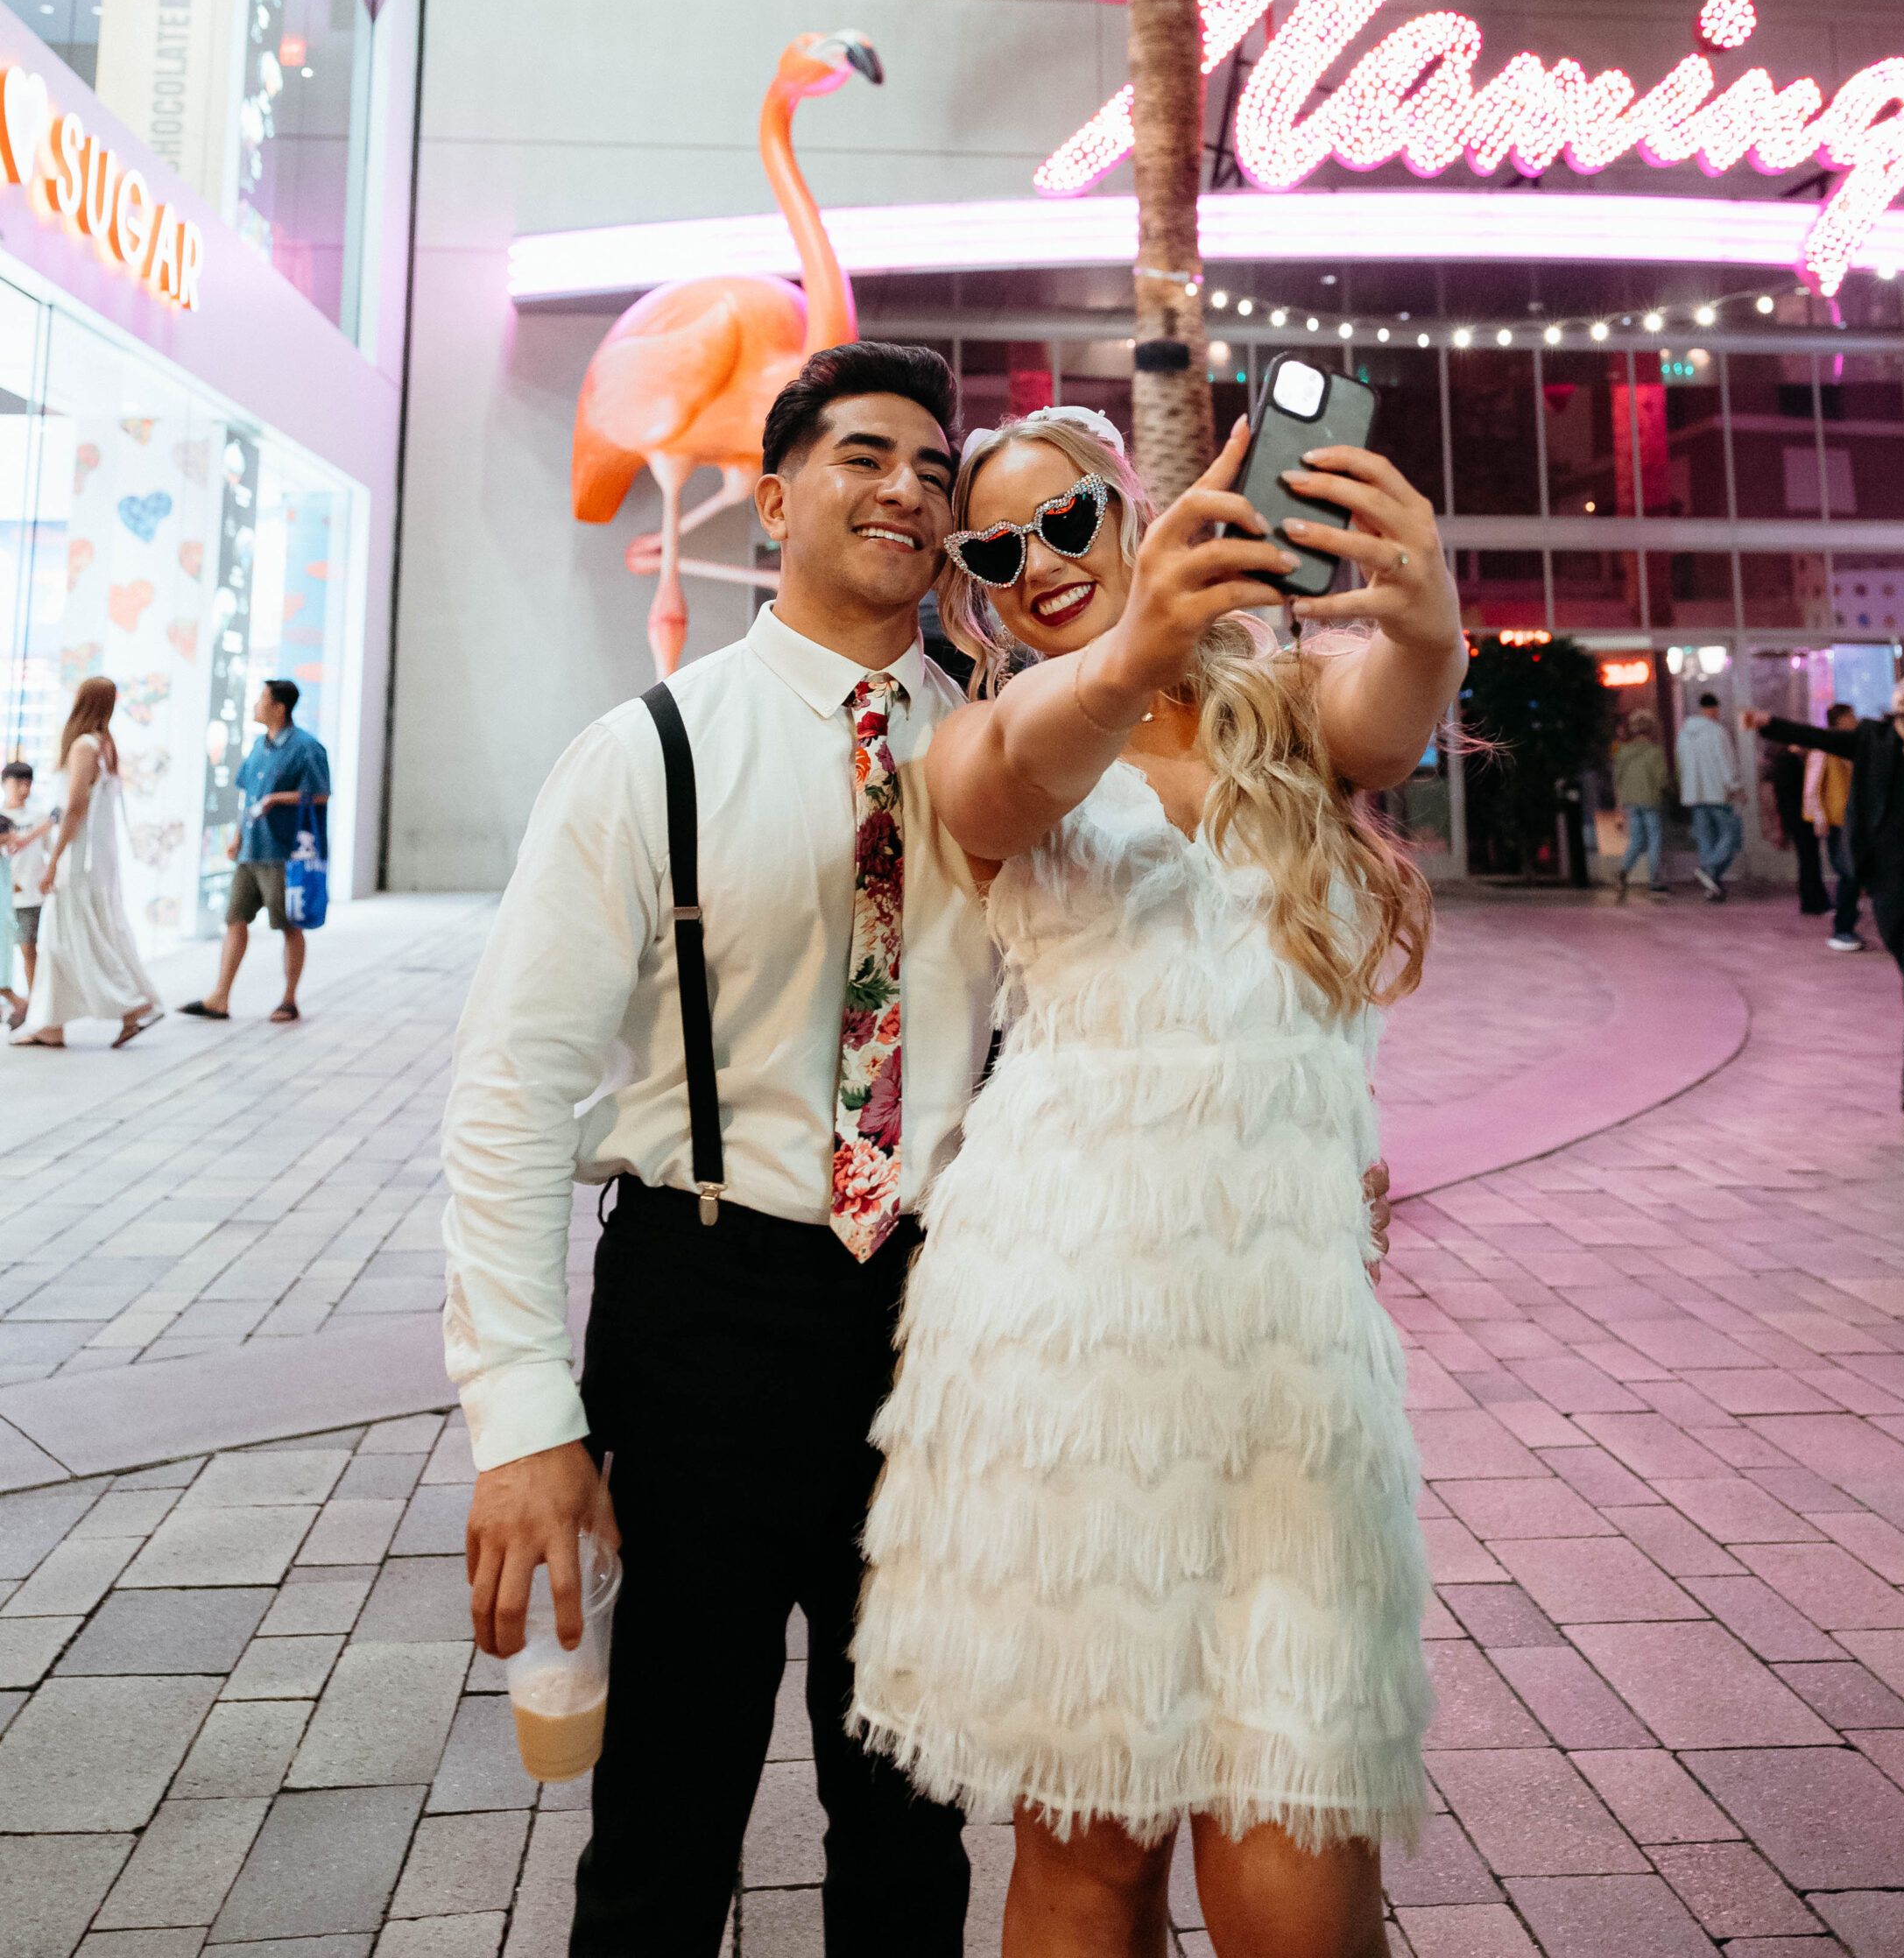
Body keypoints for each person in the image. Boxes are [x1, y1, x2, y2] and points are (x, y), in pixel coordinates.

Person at [851, 407, 1462, 1958]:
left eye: (1068, 524)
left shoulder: (1285, 710)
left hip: (1289, 1338)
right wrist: (1127, 658)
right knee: (1094, 1844)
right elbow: (997, 790)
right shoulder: (996, 730)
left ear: (1133, 512)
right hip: (1076, 1334)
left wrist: (1427, 612)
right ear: (972, 592)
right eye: (992, 553)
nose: (1036, 564)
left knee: (1300, 1842)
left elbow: (1390, 719)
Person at [442, 343, 985, 1958]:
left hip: (938, 1328)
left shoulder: (997, 756)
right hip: (706, 1315)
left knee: (913, 1823)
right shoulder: (646, 753)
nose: (908, 488)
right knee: (667, 1822)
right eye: (867, 456)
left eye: (935, 469)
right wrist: (526, 1417)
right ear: (778, 495)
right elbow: (513, 1091)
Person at [1745, 675, 1904, 1123]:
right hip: (1887, 886)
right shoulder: (1872, 740)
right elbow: (1820, 738)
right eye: (1903, 686)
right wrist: (1770, 723)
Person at [10, 680, 160, 1049]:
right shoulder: (106, 746)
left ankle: (130, 1007)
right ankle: (51, 1024)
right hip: (99, 860)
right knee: (80, 933)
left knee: (70, 936)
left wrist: (53, 860)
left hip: (79, 860)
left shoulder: (83, 746)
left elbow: (74, 809)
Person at [180, 679, 330, 1025]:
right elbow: (248, 798)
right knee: (235, 919)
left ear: (279, 707)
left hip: (285, 852)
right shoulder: (259, 748)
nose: (256, 706)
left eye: (262, 699)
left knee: (289, 925)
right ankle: (220, 997)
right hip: (252, 850)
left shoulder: (307, 748)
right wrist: (236, 838)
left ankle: (289, 999)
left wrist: (277, 799)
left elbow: (320, 794)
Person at [1804, 704, 1863, 952]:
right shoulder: (1825, 746)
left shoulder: (1854, 745)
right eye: (1850, 716)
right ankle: (1843, 928)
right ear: (1839, 720)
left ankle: (1846, 926)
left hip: (1852, 819)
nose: (1855, 720)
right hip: (1838, 820)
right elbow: (1813, 784)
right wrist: (1819, 816)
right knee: (1849, 873)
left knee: (1853, 872)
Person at [3, 758, 56, 1024]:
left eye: (28, 782)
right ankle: (16, 1003)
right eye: (17, 781)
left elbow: (51, 850)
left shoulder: (38, 818)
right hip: (4, 897)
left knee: (28, 948)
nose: (23, 787)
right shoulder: (3, 817)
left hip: (29, 897)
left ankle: (35, 1006)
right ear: (5, 783)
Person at [1677, 691, 1744, 900]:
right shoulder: (1717, 732)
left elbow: (1681, 764)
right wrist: (1735, 786)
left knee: (1705, 840)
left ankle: (1711, 885)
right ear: (1714, 708)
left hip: (1694, 794)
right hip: (1717, 793)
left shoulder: (1684, 734)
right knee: (1731, 836)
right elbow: (1726, 762)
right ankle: (1709, 870)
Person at [1763, 736, 1830, 917]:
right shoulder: (1790, 762)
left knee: (1808, 859)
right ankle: (1813, 901)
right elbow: (1796, 793)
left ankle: (1815, 899)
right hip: (1801, 818)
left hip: (1796, 817)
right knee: (1809, 859)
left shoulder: (1784, 761)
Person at [1611, 708, 1670, 897]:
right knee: (1654, 840)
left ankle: (1623, 873)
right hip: (1650, 800)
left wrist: (1619, 801)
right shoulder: (1655, 751)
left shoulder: (1623, 751)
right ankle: (1655, 880)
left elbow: (1616, 778)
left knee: (1636, 839)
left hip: (1629, 800)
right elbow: (1661, 779)